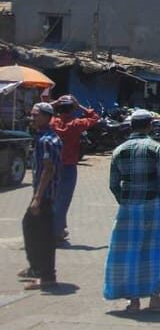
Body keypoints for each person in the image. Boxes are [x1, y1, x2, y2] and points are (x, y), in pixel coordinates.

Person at [104, 109, 160, 313]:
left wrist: (124, 200)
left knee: (128, 253)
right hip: (152, 206)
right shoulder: (157, 149)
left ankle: (133, 301)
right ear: (150, 125)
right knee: (154, 252)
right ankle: (154, 298)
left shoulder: (119, 150)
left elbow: (114, 184)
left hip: (127, 207)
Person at [19, 102, 62, 291]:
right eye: (32, 114)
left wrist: (37, 197)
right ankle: (37, 268)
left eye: (36, 115)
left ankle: (46, 276)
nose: (33, 118)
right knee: (32, 228)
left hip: (44, 194)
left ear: (46, 117)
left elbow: (48, 170)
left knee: (41, 233)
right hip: (43, 193)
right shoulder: (42, 137)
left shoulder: (47, 140)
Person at [49, 94, 99, 245]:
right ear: (72, 110)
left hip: (51, 165)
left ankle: (57, 229)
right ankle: (56, 233)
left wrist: (55, 102)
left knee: (52, 199)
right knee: (63, 200)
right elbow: (94, 117)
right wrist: (80, 106)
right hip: (69, 166)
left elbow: (39, 110)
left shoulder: (52, 122)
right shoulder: (76, 124)